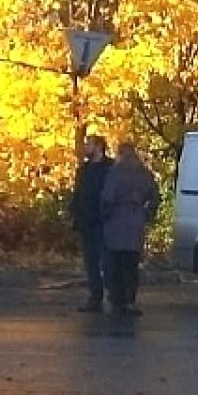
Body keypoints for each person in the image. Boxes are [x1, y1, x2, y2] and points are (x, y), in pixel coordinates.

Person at [100, 142, 161, 317]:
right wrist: (147, 214)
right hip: (135, 221)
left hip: (116, 222)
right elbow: (155, 196)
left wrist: (105, 216)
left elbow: (108, 198)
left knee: (115, 264)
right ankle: (130, 301)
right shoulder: (143, 174)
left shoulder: (115, 173)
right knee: (131, 265)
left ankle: (116, 301)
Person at [68, 134, 113, 312]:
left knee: (107, 261)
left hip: (103, 223)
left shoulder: (110, 169)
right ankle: (95, 296)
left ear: (99, 147)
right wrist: (73, 211)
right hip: (86, 222)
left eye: (89, 144)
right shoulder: (84, 169)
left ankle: (114, 296)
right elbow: (78, 193)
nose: (86, 147)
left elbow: (111, 194)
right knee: (90, 262)